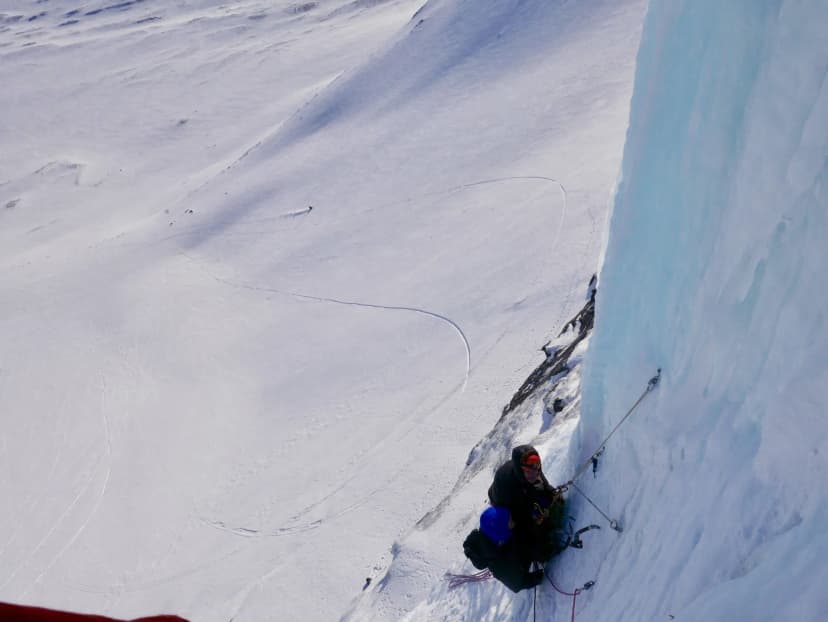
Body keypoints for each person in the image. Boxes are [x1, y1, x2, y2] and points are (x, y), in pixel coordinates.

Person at [488, 445, 567, 562]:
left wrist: (552, 494)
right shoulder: (508, 487)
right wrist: (537, 525)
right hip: (502, 504)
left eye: (536, 469)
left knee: (544, 504)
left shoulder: (533, 468)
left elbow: (543, 484)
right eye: (528, 471)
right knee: (532, 543)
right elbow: (518, 519)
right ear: (520, 470)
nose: (533, 474)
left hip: (521, 488)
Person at [462, 506, 544, 593]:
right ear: (501, 532)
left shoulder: (492, 533)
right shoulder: (500, 566)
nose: (513, 523)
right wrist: (535, 578)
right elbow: (518, 584)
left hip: (511, 549)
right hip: (517, 565)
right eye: (509, 522)